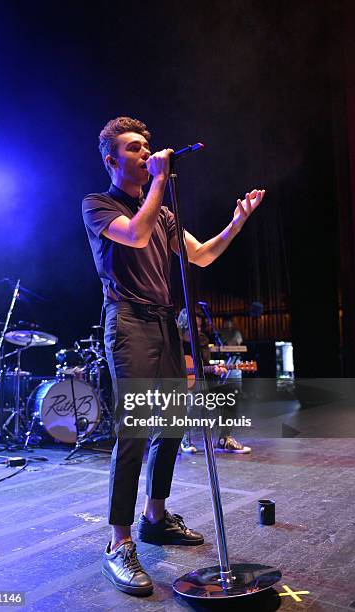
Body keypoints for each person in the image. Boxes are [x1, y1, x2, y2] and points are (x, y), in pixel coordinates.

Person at [82, 116, 264, 596]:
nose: (147, 154)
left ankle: (154, 517)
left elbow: (201, 255)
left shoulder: (161, 211)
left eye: (148, 147)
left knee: (171, 425)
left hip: (164, 321)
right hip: (128, 323)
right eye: (136, 149)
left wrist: (237, 221)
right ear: (111, 160)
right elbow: (135, 236)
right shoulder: (98, 205)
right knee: (136, 430)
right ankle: (118, 543)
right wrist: (160, 181)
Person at [178, 306, 251, 454]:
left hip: (200, 385)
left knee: (231, 391)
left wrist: (216, 371)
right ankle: (183, 437)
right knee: (192, 396)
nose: (197, 329)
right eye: (194, 326)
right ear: (185, 325)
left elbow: (204, 369)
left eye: (199, 326)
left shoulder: (201, 341)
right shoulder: (174, 342)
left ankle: (224, 439)